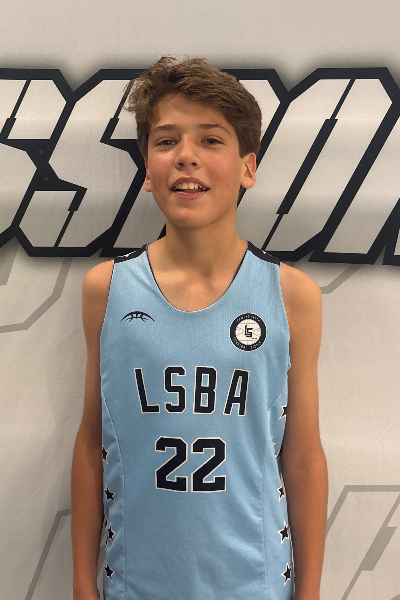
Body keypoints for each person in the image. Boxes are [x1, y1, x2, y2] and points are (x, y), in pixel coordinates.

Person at [71, 56, 328, 600]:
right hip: (137, 583)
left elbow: (303, 457)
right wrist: (80, 582)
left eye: (211, 140)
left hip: (254, 584)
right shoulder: (106, 289)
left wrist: (310, 591)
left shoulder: (291, 296)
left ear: (247, 168)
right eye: (167, 141)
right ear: (147, 170)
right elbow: (93, 442)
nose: (186, 155)